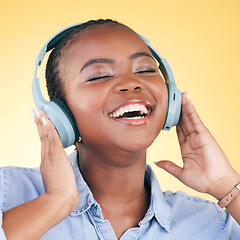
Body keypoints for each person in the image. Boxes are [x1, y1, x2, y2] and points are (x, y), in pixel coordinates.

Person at [0, 19, 239, 240]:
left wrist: (228, 186)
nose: (131, 83)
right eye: (100, 76)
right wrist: (56, 201)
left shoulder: (212, 222)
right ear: (60, 113)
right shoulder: (7, 191)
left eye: (145, 70)